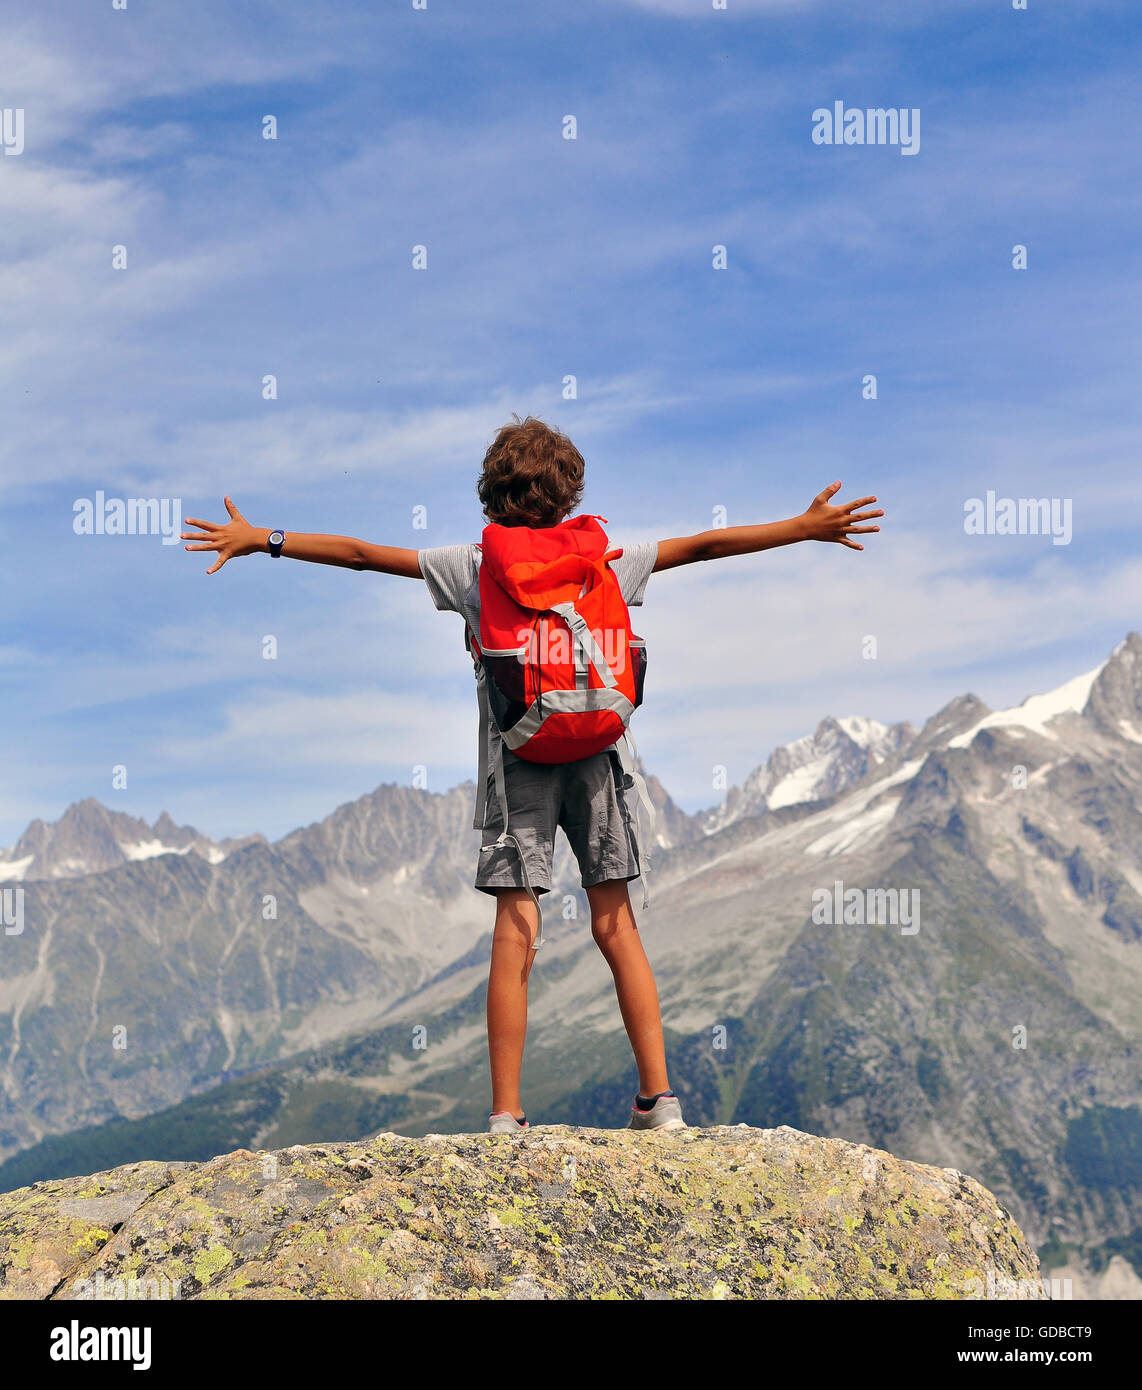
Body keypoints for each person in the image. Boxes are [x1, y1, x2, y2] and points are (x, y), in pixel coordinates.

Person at [182, 415, 882, 1135]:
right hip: (600, 753)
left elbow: (361, 555)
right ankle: (659, 1102)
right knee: (617, 921)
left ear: (492, 492)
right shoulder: (607, 556)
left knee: (515, 927)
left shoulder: (471, 564)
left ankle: (507, 1116)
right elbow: (705, 545)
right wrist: (804, 528)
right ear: (570, 492)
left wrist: (261, 539)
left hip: (517, 757)